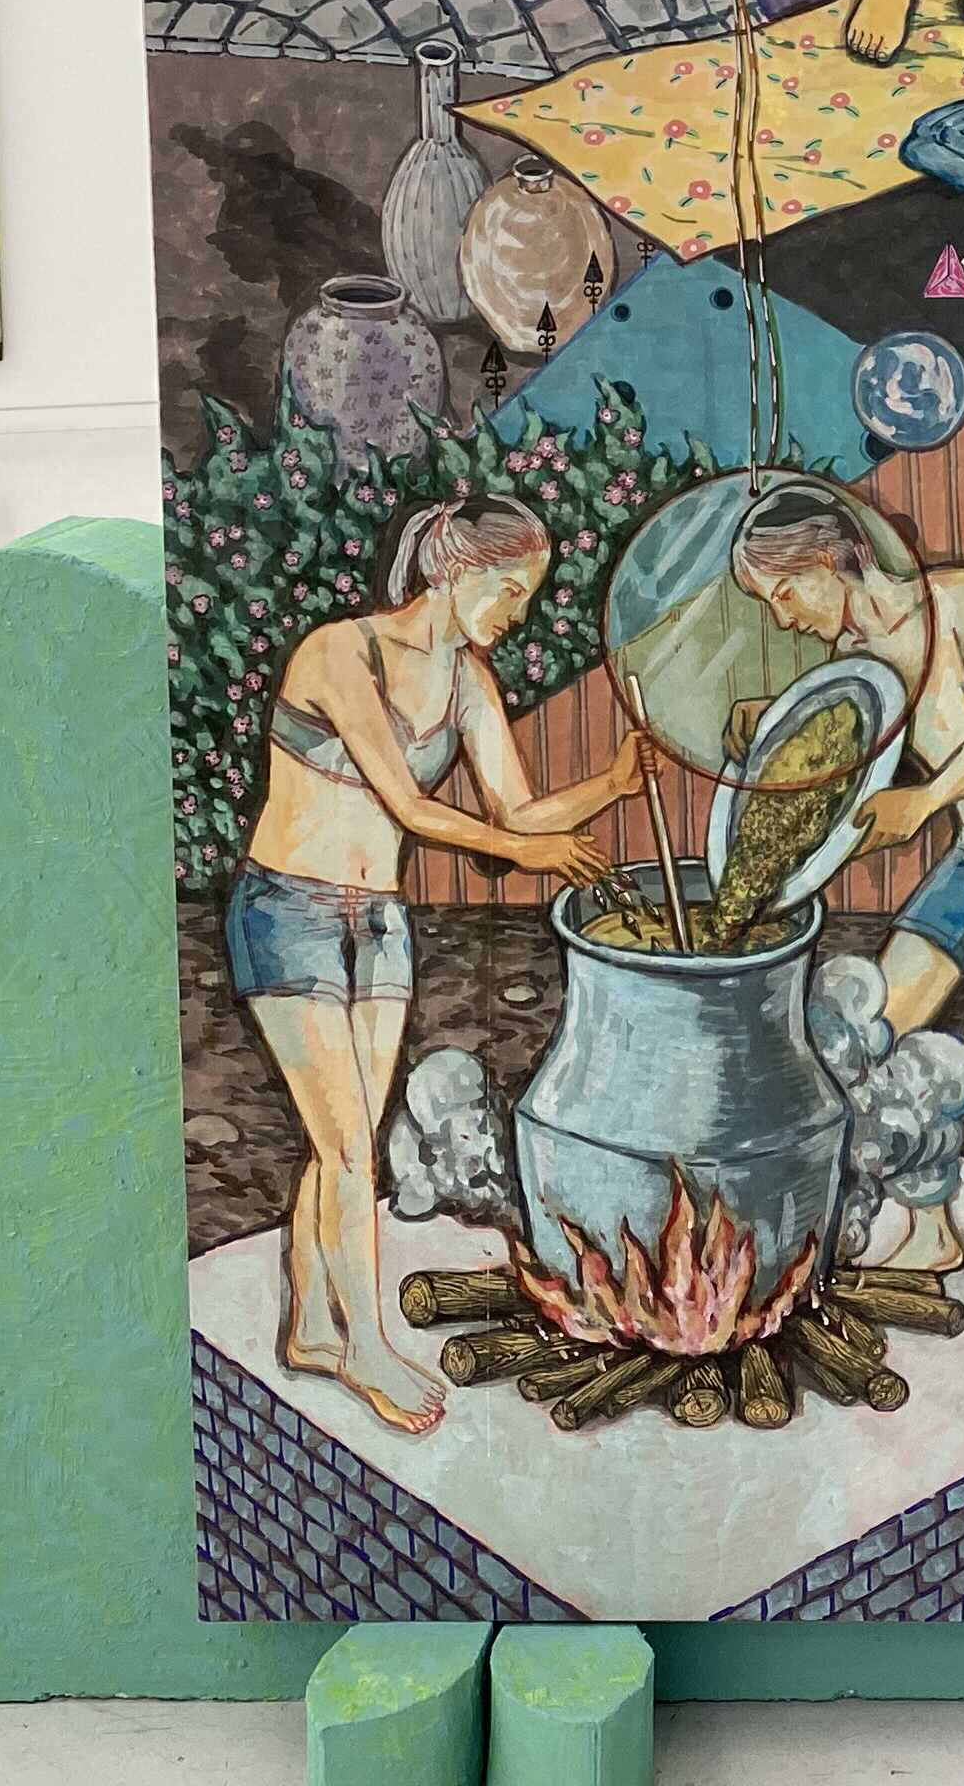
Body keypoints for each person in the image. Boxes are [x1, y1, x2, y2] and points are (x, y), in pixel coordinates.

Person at [239, 495, 630, 1432]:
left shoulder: (466, 680)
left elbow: (516, 813)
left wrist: (616, 782)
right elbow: (411, 808)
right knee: (347, 1147)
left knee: (344, 1136)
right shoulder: (341, 653)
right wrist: (530, 854)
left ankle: (311, 1327)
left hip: (377, 918)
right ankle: (367, 1348)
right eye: (511, 591)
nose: (518, 614)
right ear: (456, 570)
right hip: (287, 911)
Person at [729, 482, 964, 1338]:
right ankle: (935, 1226)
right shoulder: (860, 662)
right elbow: (862, 779)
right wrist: (776, 734)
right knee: (870, 1037)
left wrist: (924, 801)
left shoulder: (963, 598)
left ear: (827, 560)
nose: (785, 619)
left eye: (785, 594)